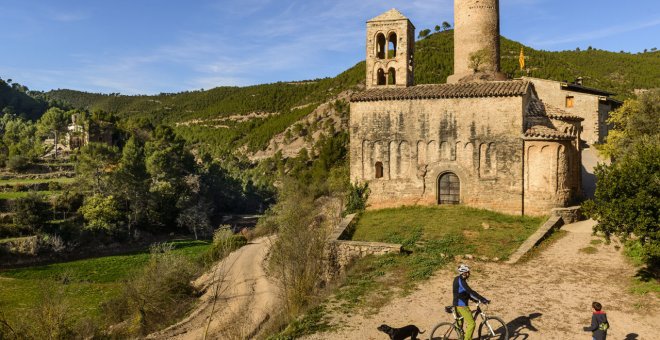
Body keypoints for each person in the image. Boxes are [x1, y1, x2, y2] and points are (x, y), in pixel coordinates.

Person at [452, 264, 489, 340]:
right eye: (468, 272)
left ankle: (461, 337)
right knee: (471, 324)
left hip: (456, 304)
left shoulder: (457, 279)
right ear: (464, 273)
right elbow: (471, 292)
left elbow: (463, 293)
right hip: (461, 306)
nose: (469, 274)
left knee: (459, 326)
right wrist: (483, 299)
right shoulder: (462, 282)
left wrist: (474, 300)